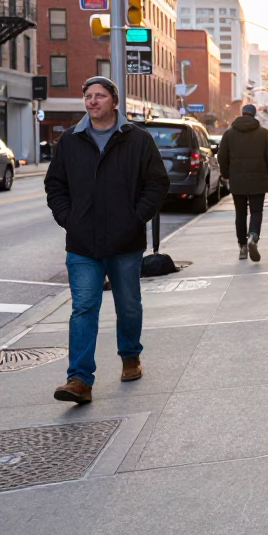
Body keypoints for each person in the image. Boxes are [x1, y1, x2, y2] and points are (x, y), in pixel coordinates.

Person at [44, 76, 169, 405]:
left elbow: (157, 183)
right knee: (84, 307)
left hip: (125, 241)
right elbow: (55, 185)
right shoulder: (71, 140)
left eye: (99, 96)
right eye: (87, 96)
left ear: (114, 101)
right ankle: (79, 380)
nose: (92, 101)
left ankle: (130, 356)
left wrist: (134, 217)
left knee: (128, 306)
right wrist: (68, 219)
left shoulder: (137, 140)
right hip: (82, 243)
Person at [217, 103, 268, 262]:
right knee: (257, 211)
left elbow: (221, 156)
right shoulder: (263, 133)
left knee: (241, 213)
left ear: (242, 114)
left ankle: (243, 247)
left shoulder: (229, 134)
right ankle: (253, 235)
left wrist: (226, 174)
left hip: (238, 180)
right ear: (254, 114)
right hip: (258, 179)